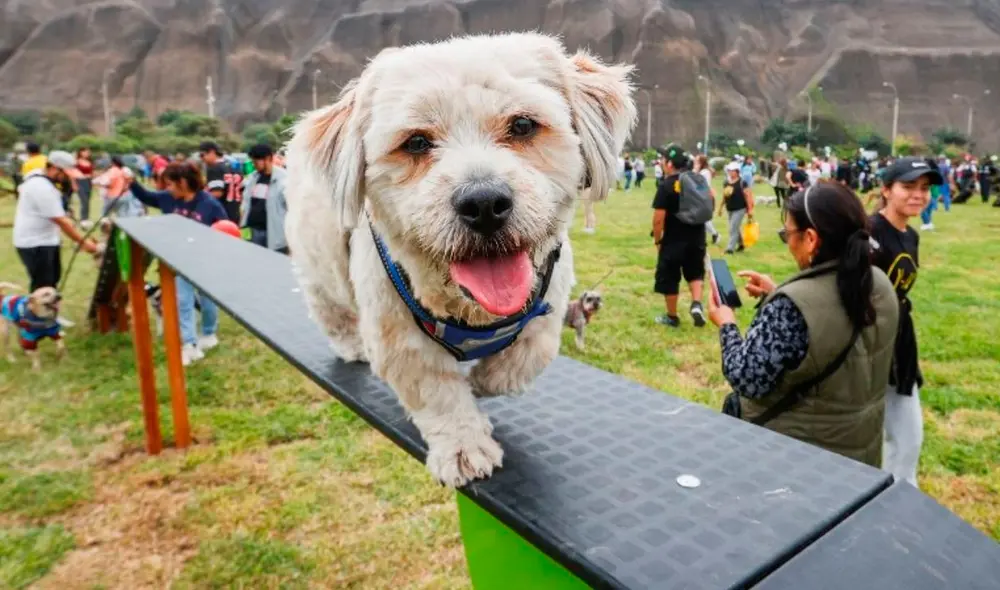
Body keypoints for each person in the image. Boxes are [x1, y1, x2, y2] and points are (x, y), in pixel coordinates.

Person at [709, 181, 900, 467]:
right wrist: (777, 295)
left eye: (787, 234)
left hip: (795, 460)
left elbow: (746, 377)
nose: (788, 243)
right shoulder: (879, 283)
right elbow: (834, 327)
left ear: (811, 238)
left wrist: (727, 324)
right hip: (860, 453)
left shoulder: (792, 309)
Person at [871, 157, 942, 487]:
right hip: (871, 345)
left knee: (906, 439)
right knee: (896, 439)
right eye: (908, 186)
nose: (918, 195)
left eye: (925, 188)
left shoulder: (910, 235)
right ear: (886, 190)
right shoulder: (868, 233)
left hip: (900, 343)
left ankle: (897, 499)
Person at [128, 162, 229, 365]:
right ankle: (189, 344)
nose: (167, 189)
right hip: (178, 260)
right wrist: (131, 182)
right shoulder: (167, 199)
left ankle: (209, 333)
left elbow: (225, 231)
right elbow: (147, 197)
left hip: (205, 260)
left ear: (183, 183)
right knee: (183, 301)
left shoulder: (210, 205)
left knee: (208, 300)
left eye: (170, 184)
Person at [13, 151, 100, 291]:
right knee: (43, 287)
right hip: (35, 244)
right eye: (66, 175)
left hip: (46, 240)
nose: (69, 180)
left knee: (52, 279)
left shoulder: (42, 178)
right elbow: (62, 221)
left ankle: (48, 312)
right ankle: (37, 313)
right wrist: (84, 243)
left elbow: (62, 217)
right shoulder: (41, 187)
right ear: (54, 169)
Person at [651, 145, 707, 328]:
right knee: (696, 272)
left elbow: (658, 218)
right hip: (697, 236)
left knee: (670, 276)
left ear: (668, 163)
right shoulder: (697, 180)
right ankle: (697, 303)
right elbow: (711, 199)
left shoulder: (667, 185)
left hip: (673, 240)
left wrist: (658, 239)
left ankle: (672, 317)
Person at [240, 144, 289, 253]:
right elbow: (245, 204)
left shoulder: (283, 180)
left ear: (268, 159)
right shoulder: (252, 178)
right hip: (250, 230)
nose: (254, 165)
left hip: (273, 234)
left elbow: (290, 209)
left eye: (256, 161)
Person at [718, 162, 754, 255]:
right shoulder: (726, 182)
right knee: (735, 227)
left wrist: (750, 210)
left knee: (732, 228)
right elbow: (724, 195)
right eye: (729, 170)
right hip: (729, 208)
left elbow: (748, 196)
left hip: (740, 209)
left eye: (732, 171)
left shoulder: (742, 182)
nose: (730, 172)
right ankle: (741, 244)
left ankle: (730, 249)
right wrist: (720, 207)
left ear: (737, 172)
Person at [199, 141, 240, 222]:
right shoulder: (233, 166)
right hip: (234, 213)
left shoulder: (214, 168)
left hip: (221, 214)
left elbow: (216, 193)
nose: (201, 158)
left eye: (202, 155)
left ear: (212, 152)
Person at [693, 154, 721, 245]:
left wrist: (696, 171)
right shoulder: (702, 171)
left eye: (696, 161)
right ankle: (711, 235)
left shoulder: (705, 172)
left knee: (703, 219)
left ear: (701, 162)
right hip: (701, 197)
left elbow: (700, 183)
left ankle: (714, 234)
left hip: (704, 197)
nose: (694, 162)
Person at [75, 148, 94, 227]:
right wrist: (74, 184)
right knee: (84, 201)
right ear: (80, 152)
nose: (87, 153)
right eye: (85, 152)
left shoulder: (89, 162)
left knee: (88, 201)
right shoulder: (76, 162)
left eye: (88, 152)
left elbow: (92, 173)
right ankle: (83, 219)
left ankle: (86, 218)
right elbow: (73, 174)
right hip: (80, 182)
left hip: (88, 182)